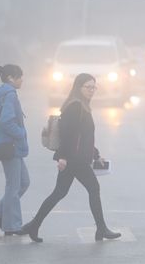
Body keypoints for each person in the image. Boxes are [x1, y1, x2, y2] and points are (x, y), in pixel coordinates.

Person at [22, 73, 120, 243]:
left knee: (59, 192)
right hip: (75, 159)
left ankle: (34, 225)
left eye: (93, 87)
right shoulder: (75, 107)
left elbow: (83, 136)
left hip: (76, 158)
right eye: (88, 87)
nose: (91, 90)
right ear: (78, 87)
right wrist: (63, 157)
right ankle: (101, 229)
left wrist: (96, 154)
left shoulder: (82, 105)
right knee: (93, 189)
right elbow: (68, 135)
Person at [0, 64, 30, 235]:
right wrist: (21, 133)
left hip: (12, 147)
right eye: (20, 77)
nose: (22, 80)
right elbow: (6, 121)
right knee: (14, 186)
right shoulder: (10, 95)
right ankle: (12, 226)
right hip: (10, 146)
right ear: (11, 78)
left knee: (23, 183)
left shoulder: (5, 93)